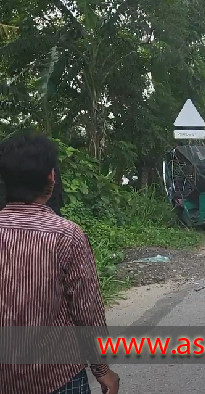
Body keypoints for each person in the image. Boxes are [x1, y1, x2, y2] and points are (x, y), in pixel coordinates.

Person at [0, 134, 120, 394]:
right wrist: (102, 370)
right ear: (52, 177)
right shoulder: (66, 235)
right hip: (57, 376)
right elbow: (86, 311)